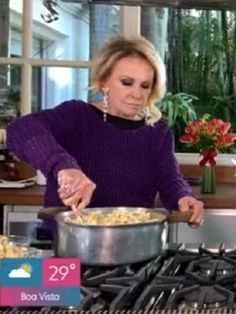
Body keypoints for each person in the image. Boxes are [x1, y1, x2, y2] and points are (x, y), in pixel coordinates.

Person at [6, 35, 204, 227]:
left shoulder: (157, 132)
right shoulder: (77, 116)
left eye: (145, 86)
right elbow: (19, 129)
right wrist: (65, 167)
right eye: (127, 82)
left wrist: (183, 197)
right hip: (65, 246)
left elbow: (170, 180)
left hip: (131, 247)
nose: (137, 94)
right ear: (103, 82)